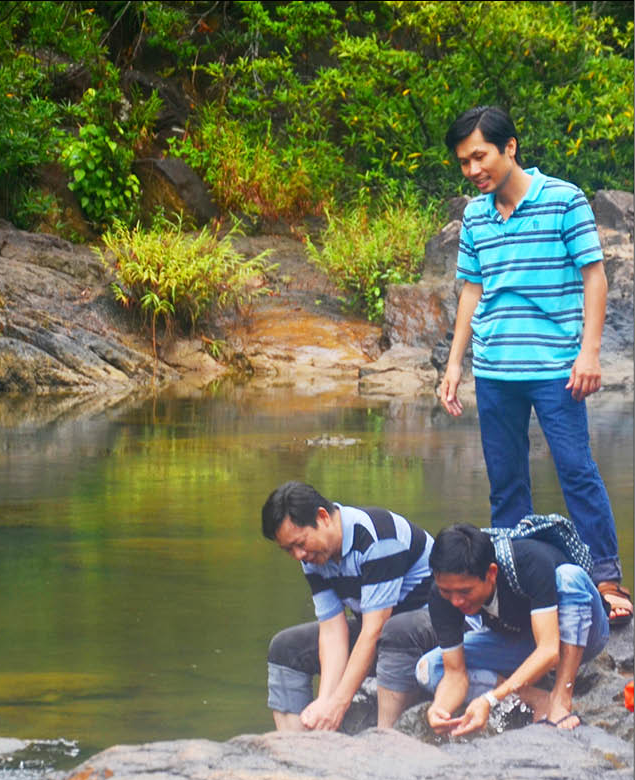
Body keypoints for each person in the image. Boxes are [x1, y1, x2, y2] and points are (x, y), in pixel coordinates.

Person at [437, 104, 631, 627]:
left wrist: (589, 352)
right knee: (506, 480)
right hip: (496, 368)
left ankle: (606, 577)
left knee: (576, 470)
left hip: (554, 366)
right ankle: (516, 574)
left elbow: (595, 278)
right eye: (463, 162)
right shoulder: (476, 216)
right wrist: (455, 365)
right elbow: (472, 290)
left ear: (509, 148)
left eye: (480, 156)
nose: (473, 169)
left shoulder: (564, 200)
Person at [260, 481, 435, 731]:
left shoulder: (377, 538)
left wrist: (339, 704)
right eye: (289, 549)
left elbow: (374, 630)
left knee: (395, 631)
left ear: (323, 517)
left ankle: (385, 739)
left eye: (300, 544)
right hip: (384, 634)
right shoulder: (314, 556)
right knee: (286, 648)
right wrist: (325, 702)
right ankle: (296, 747)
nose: (298, 556)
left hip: (431, 633)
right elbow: (332, 631)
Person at [418, 523, 608, 734]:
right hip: (522, 641)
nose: (456, 601)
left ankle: (561, 697)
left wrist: (491, 699)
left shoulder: (528, 562)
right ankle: (537, 697)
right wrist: (440, 708)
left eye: (465, 591)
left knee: (569, 577)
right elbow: (455, 673)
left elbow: (549, 651)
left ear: (491, 573)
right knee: (429, 668)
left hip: (581, 633)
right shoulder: (441, 596)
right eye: (447, 591)